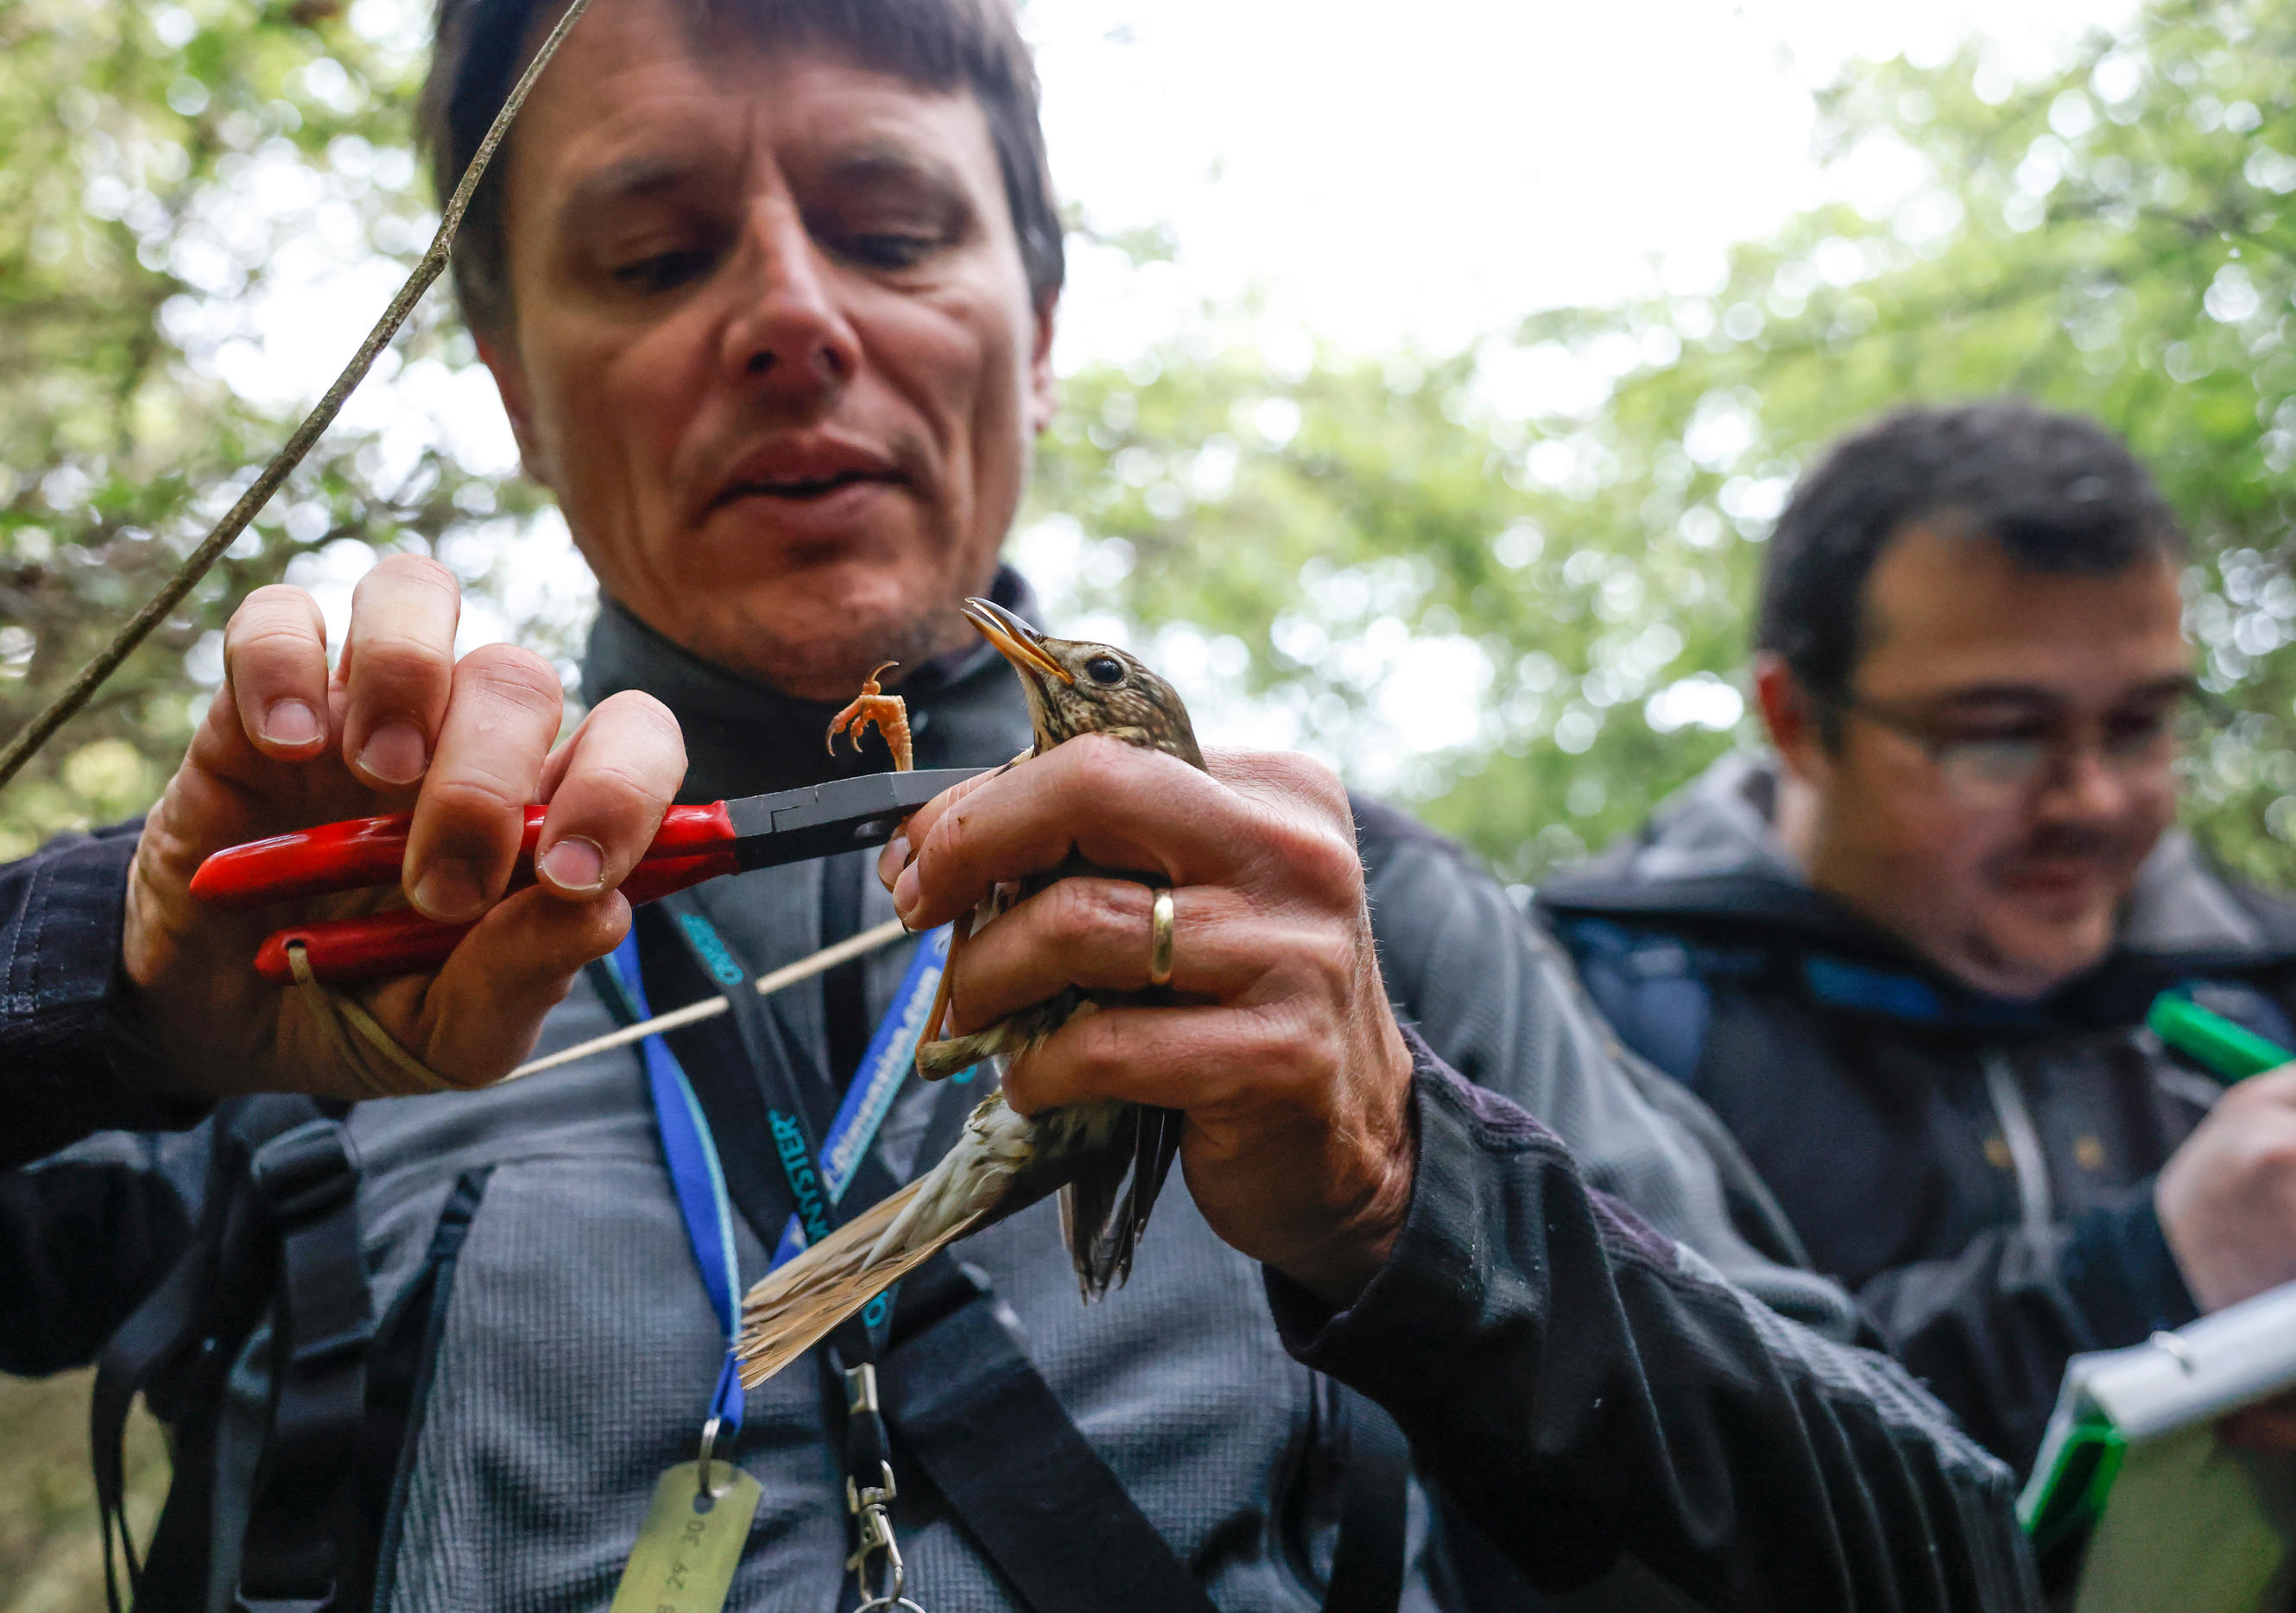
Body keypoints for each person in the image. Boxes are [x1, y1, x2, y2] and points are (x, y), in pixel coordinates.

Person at [0, 4, 2037, 1609]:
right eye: (652, 249)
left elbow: (1946, 1547)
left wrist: (1410, 1196)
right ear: (516, 379)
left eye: (891, 231)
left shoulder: (1357, 930)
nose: (796, 315)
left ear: (1035, 330)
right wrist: (110, 978)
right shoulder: (317, 929)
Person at [1540, 400, 2296, 1604]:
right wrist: (2152, 1272)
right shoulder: (1592, 1011)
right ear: (1799, 722)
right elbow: (1606, 1462)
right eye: (2001, 738)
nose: (2095, 800)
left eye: (2144, 724)